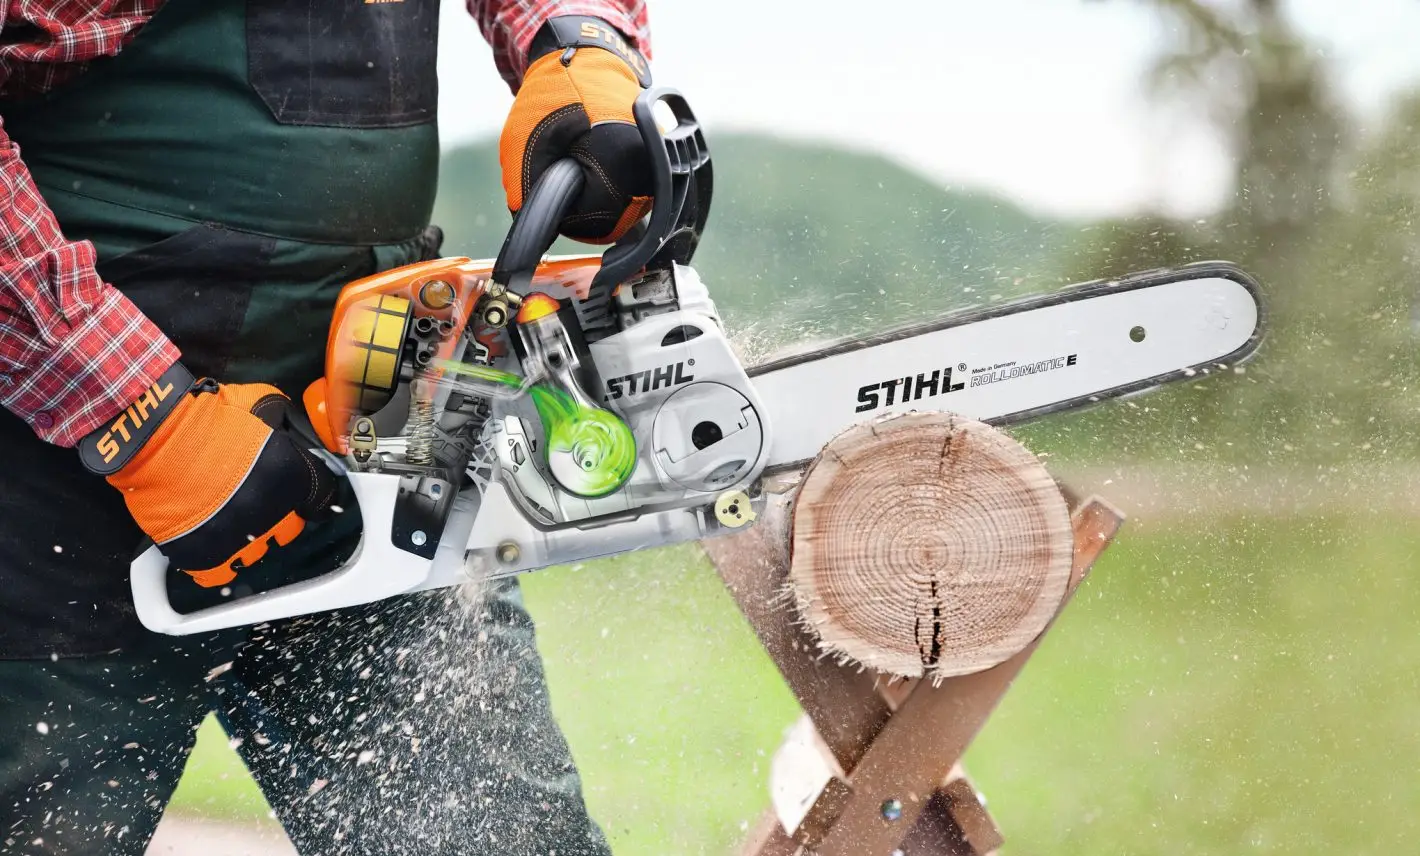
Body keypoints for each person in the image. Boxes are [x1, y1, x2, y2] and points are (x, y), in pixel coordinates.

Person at [0, 1, 662, 853]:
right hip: (55, 471)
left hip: (381, 432)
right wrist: (134, 415)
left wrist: (578, 42)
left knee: (494, 833)